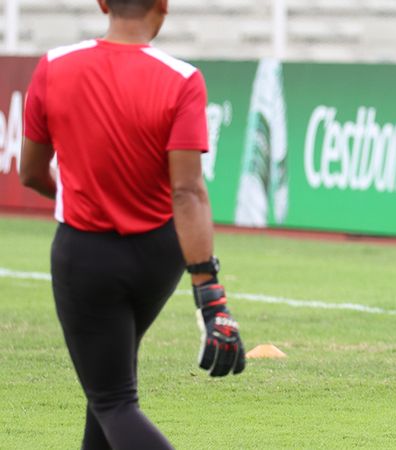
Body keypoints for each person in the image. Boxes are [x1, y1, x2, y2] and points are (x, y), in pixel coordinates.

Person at [19, 0, 246, 448]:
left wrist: (77, 195)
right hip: (158, 257)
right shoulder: (183, 79)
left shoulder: (55, 66)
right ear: (163, 5)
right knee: (105, 386)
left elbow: (29, 172)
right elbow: (188, 192)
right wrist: (210, 294)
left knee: (113, 401)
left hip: (86, 255)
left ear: (103, 3)